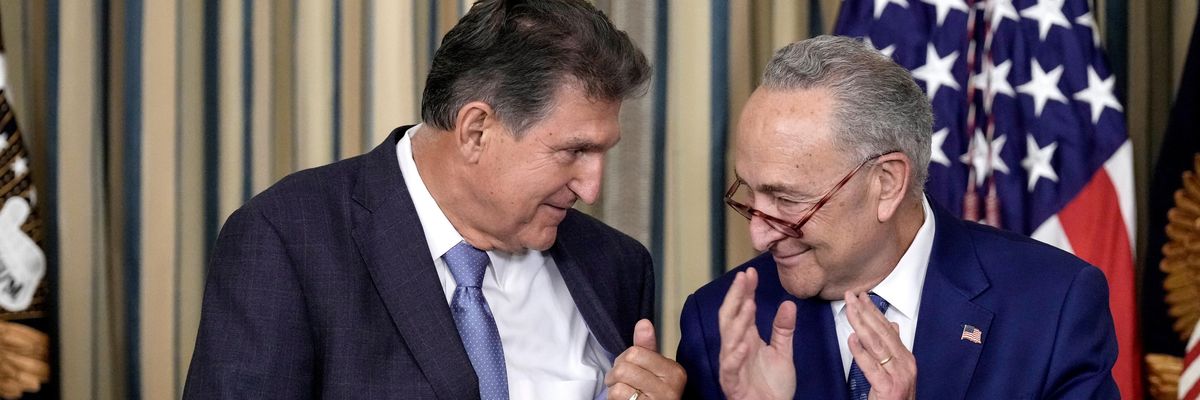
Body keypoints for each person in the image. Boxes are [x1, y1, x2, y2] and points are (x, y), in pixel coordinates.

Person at [183, 1, 685, 398]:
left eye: (602, 153)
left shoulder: (616, 264)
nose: (592, 188)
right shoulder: (288, 239)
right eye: (574, 151)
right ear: (476, 130)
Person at [676, 35, 1119, 399]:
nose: (758, 236)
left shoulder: (1051, 305)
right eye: (748, 194)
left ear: (887, 183)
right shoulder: (718, 323)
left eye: (788, 200)